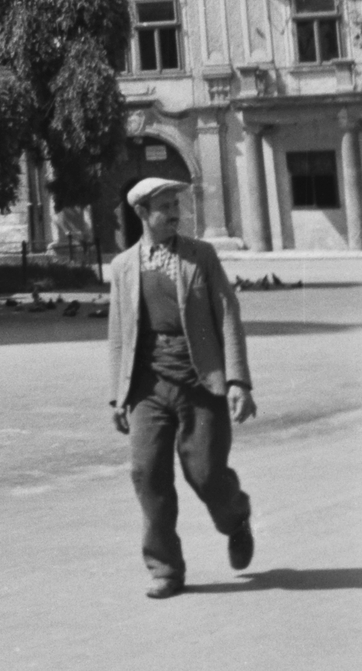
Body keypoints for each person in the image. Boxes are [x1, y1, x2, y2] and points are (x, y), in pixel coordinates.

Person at [107, 177, 257, 598]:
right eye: (165, 207)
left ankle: (236, 518)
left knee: (206, 474)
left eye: (176, 205)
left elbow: (227, 312)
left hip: (199, 379)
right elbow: (119, 333)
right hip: (146, 385)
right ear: (142, 213)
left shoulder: (201, 256)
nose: (175, 213)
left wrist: (237, 381)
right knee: (146, 473)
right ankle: (165, 568)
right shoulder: (123, 266)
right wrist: (118, 396)